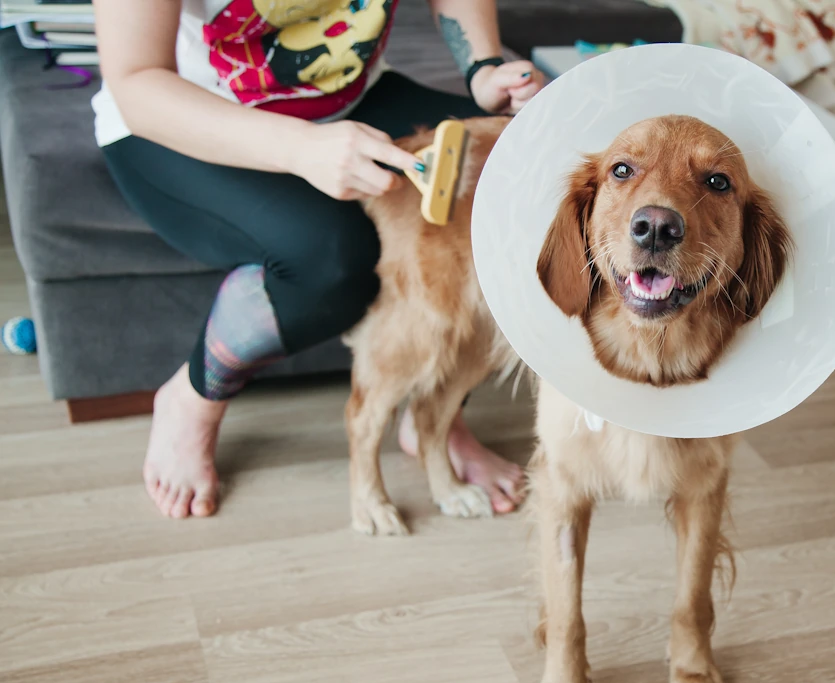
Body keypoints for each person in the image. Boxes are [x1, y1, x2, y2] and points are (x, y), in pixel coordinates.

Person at [92, 0, 545, 520]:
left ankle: (434, 414)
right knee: (332, 258)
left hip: (348, 95)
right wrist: (300, 149)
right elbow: (136, 83)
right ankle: (194, 396)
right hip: (179, 118)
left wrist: (482, 65)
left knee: (502, 176)